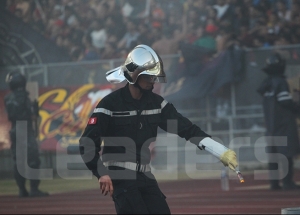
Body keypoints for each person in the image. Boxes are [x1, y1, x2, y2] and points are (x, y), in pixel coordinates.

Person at [79, 44, 238, 214]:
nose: (152, 81)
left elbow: (187, 129)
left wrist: (220, 150)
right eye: (148, 77)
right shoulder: (109, 104)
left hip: (145, 175)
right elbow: (87, 143)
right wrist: (101, 173)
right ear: (134, 75)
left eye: (154, 77)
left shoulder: (157, 104)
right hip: (120, 177)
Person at [257, 53, 300, 191]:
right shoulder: (280, 82)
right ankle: (288, 182)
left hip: (270, 125)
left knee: (274, 156)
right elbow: (285, 101)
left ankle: (274, 184)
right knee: (286, 154)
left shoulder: (266, 83)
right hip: (284, 124)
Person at [4, 72, 49, 198]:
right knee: (33, 160)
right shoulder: (25, 96)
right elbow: (33, 114)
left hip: (15, 129)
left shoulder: (7, 98)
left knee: (19, 162)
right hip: (26, 128)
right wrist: (35, 109)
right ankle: (34, 189)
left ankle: (22, 190)